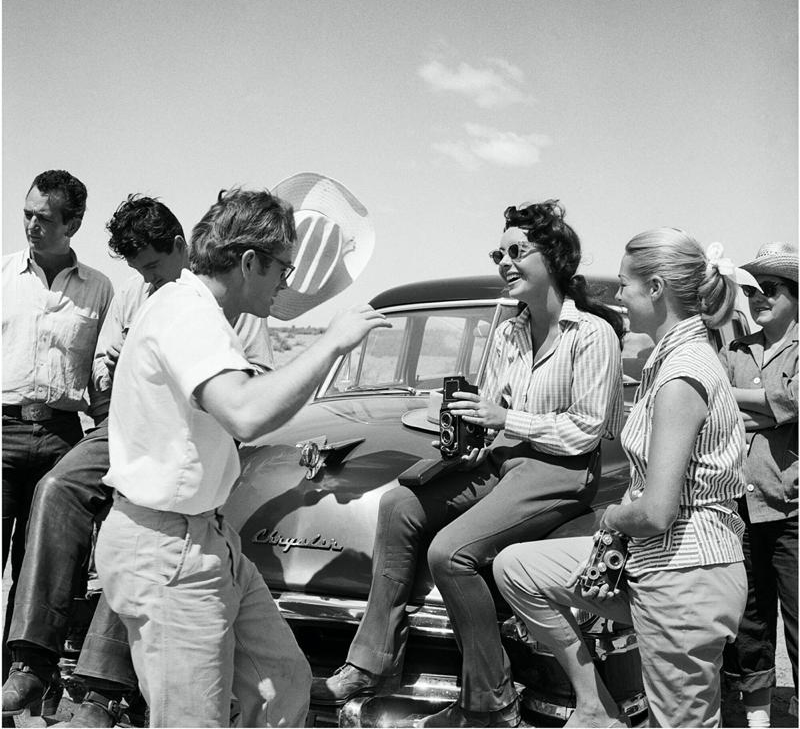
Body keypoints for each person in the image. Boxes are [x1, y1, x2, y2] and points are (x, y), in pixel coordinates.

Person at [312, 200, 625, 728]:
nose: (502, 261)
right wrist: (464, 423)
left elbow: (586, 431)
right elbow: (493, 411)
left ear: (553, 257)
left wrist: (506, 417)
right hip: (503, 461)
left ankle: (490, 698)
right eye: (496, 252)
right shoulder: (508, 331)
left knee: (450, 553)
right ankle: (371, 662)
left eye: (515, 251)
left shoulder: (592, 334)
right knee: (398, 504)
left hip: (562, 471)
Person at [93, 187, 390, 728]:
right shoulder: (189, 314)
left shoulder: (194, 309)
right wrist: (331, 343)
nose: (286, 283)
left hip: (204, 538)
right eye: (283, 268)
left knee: (282, 687)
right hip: (169, 548)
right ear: (249, 261)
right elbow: (245, 414)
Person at [1, 195, 273, 724]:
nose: (148, 278)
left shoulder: (227, 299)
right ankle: (32, 660)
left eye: (153, 266)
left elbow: (254, 385)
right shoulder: (132, 292)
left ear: (180, 248)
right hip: (127, 424)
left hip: (192, 431)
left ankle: (101, 688)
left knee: (143, 517)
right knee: (57, 488)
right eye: (138, 270)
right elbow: (106, 361)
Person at [494, 229, 748, 728]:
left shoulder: (682, 374)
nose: (617, 297)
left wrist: (609, 516)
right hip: (663, 566)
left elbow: (655, 512)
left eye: (626, 285)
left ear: (656, 289)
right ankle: (595, 707)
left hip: (685, 577)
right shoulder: (670, 359)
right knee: (517, 569)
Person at [2, 170, 113, 678]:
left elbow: (103, 374)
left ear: (73, 223)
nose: (30, 224)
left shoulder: (100, 290)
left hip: (64, 439)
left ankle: (23, 685)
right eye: (27, 212)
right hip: (1, 432)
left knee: (41, 575)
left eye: (43, 218)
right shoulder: (2, 276)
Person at [720, 241, 798, 728]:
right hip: (741, 508)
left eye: (768, 288)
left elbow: (791, 403)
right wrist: (763, 415)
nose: (757, 298)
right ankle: (758, 717)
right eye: (752, 289)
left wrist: (740, 401)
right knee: (748, 620)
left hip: (792, 509)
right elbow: (720, 418)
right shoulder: (735, 349)